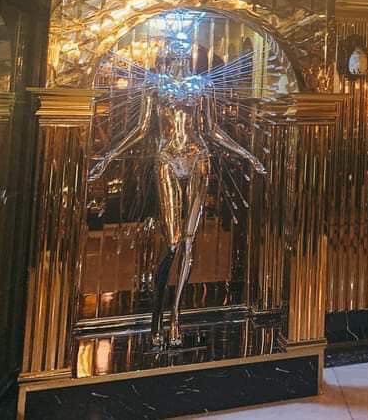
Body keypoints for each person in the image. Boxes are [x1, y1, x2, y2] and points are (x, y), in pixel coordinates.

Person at [88, 32, 265, 348]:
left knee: (188, 242)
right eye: (174, 49)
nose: (180, 54)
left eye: (184, 48)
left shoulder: (202, 87)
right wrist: (109, 157)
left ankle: (175, 318)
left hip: (198, 158)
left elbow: (212, 130)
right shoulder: (155, 88)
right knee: (171, 243)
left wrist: (247, 154)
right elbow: (141, 129)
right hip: (168, 158)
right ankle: (156, 316)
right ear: (166, 54)